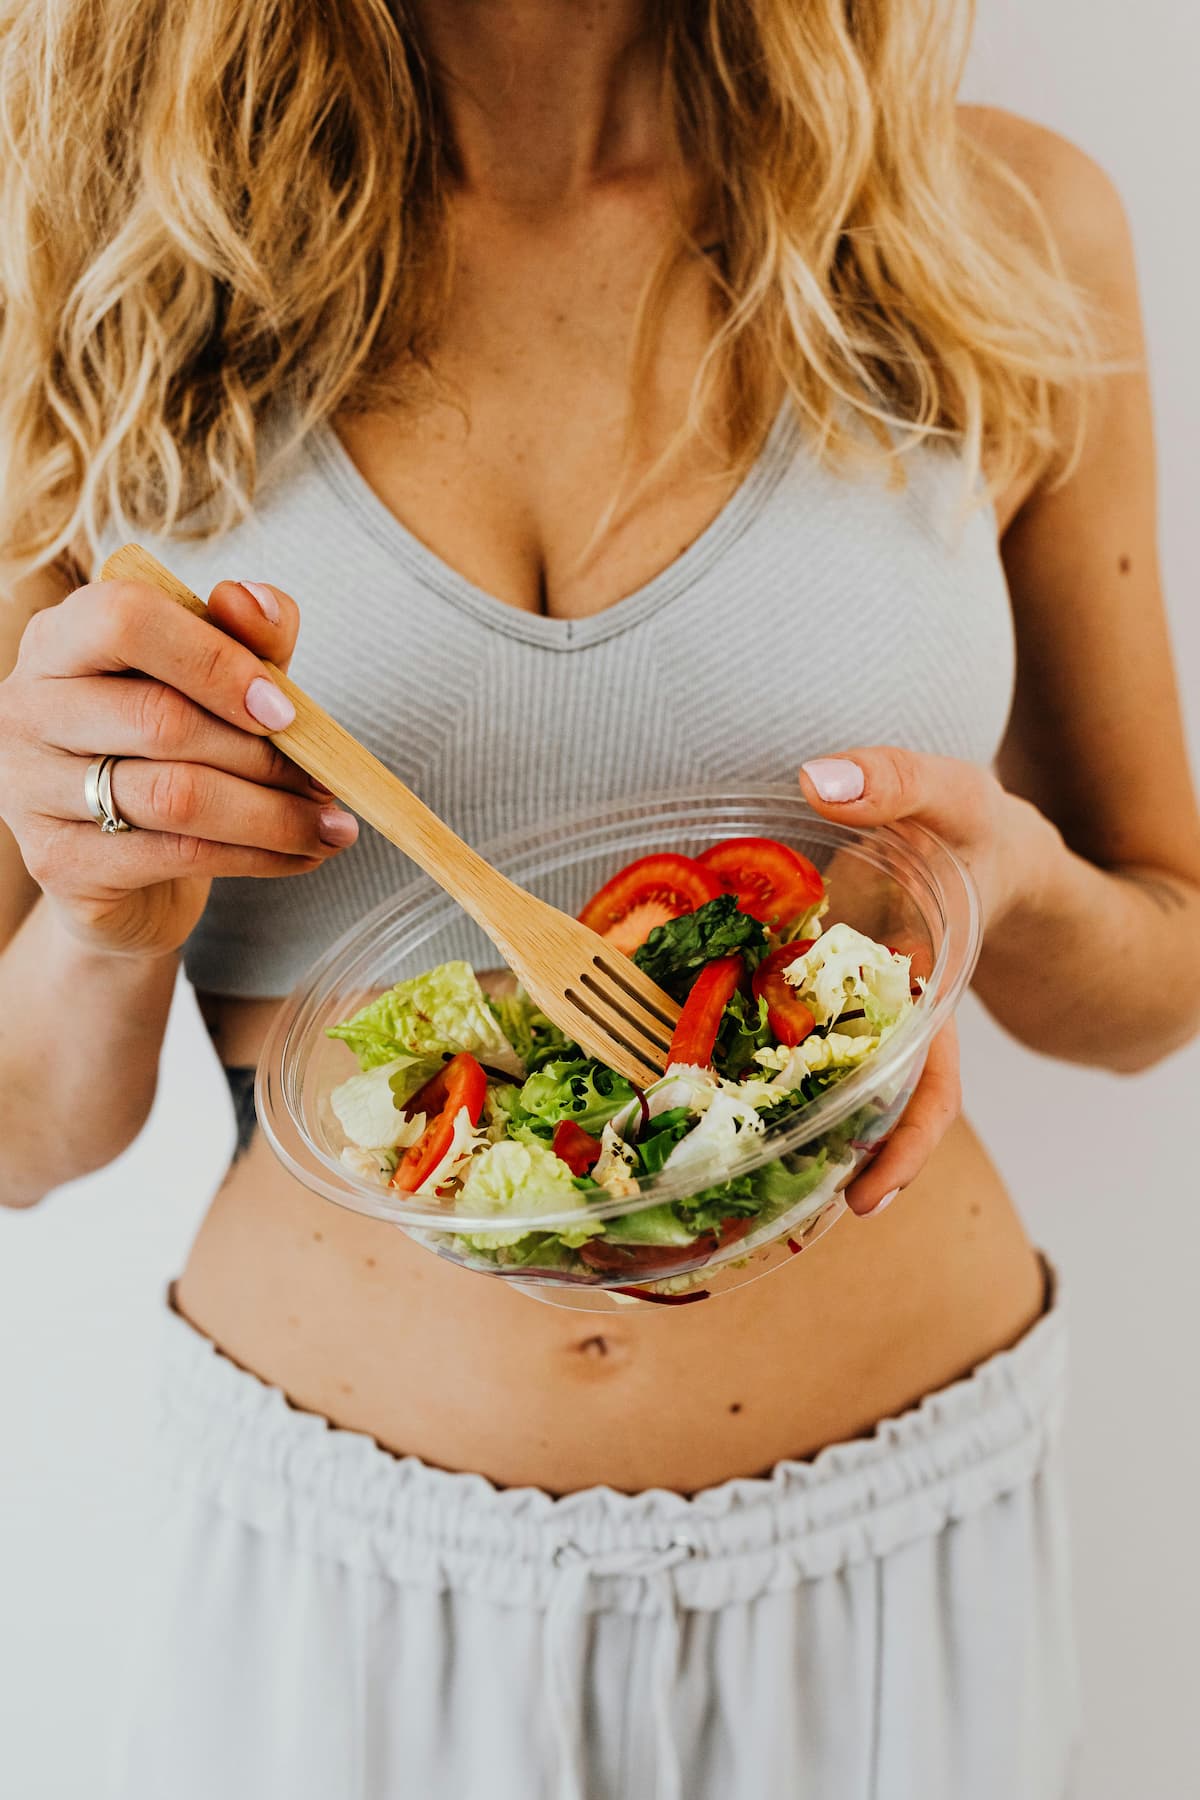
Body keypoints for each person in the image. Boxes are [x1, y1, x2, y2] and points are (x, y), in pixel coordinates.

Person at [1, 3, 1197, 1796]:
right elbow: (21, 1140)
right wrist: (105, 917)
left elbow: (1159, 975)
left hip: (896, 1546)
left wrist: (1010, 889)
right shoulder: (86, 257)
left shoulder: (999, 227)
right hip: (345, 1586)